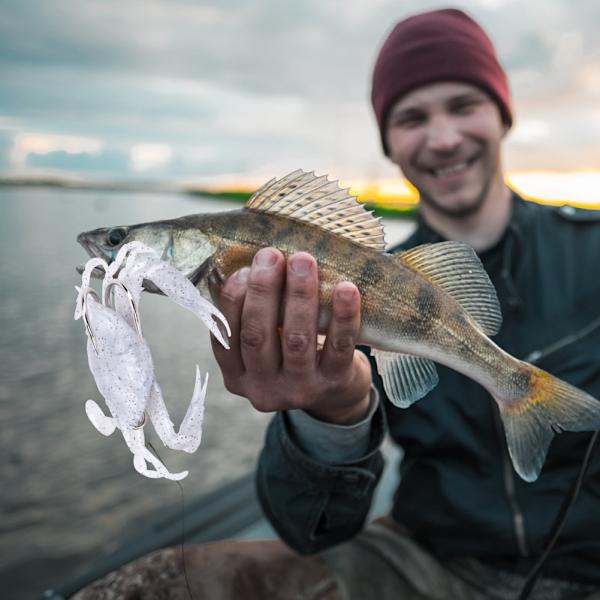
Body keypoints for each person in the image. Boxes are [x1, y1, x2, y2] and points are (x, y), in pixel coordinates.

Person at [74, 8, 600, 600]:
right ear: (390, 142)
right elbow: (311, 529)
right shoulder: (368, 281)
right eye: (412, 117)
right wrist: (331, 414)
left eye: (464, 105)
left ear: (503, 115)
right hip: (427, 559)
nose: (444, 137)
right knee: (153, 586)